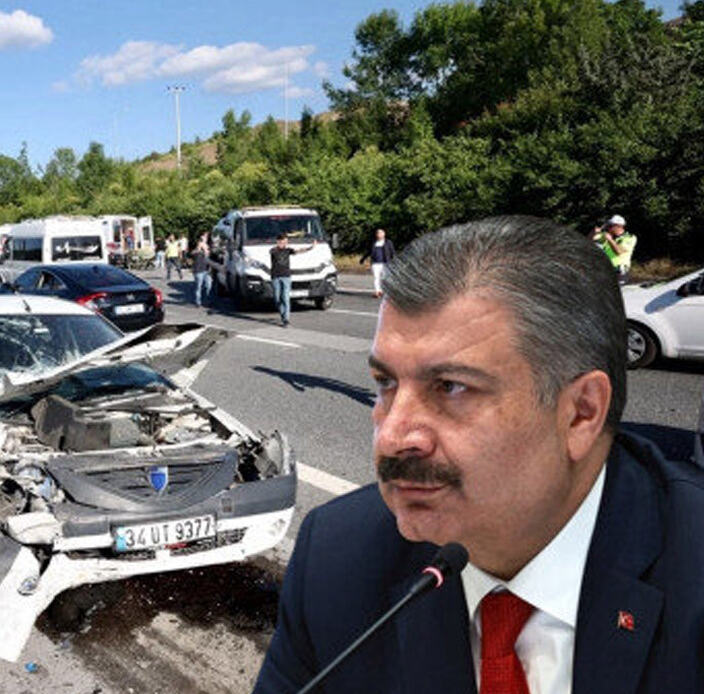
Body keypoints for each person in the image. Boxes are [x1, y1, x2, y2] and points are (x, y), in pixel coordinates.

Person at [253, 216, 704, 694]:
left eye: (451, 388)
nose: (390, 437)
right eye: (385, 383)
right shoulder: (337, 555)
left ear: (581, 413)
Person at [592, 215, 636, 284]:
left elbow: (619, 251)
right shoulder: (607, 235)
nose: (608, 228)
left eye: (610, 226)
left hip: (619, 272)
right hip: (605, 270)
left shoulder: (629, 238)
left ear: (619, 226)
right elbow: (587, 241)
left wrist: (610, 240)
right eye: (608, 226)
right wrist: (594, 233)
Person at [358, 228, 396, 297]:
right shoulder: (373, 243)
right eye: (378, 233)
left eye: (381, 233)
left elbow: (392, 252)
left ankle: (384, 291)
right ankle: (377, 291)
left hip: (385, 263)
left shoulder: (388, 242)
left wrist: (395, 261)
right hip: (375, 263)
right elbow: (369, 252)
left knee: (384, 277)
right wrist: (363, 259)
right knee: (376, 277)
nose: (379, 235)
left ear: (384, 234)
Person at [269, 234, 292, 327]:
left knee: (285, 298)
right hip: (276, 277)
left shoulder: (288, 250)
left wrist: (311, 247)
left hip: (286, 276)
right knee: (277, 298)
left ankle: (286, 319)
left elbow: (299, 251)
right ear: (279, 241)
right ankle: (283, 314)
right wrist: (278, 246)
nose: (285, 243)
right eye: (283, 241)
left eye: (286, 241)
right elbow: (272, 252)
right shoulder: (273, 250)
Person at [192, 233, 212, 307]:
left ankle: (207, 301)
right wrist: (199, 249)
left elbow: (210, 259)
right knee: (198, 287)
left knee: (208, 286)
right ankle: (198, 302)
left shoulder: (208, 251)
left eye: (205, 241)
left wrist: (207, 251)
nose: (204, 243)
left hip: (207, 271)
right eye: (202, 241)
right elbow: (193, 253)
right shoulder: (196, 252)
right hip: (198, 271)